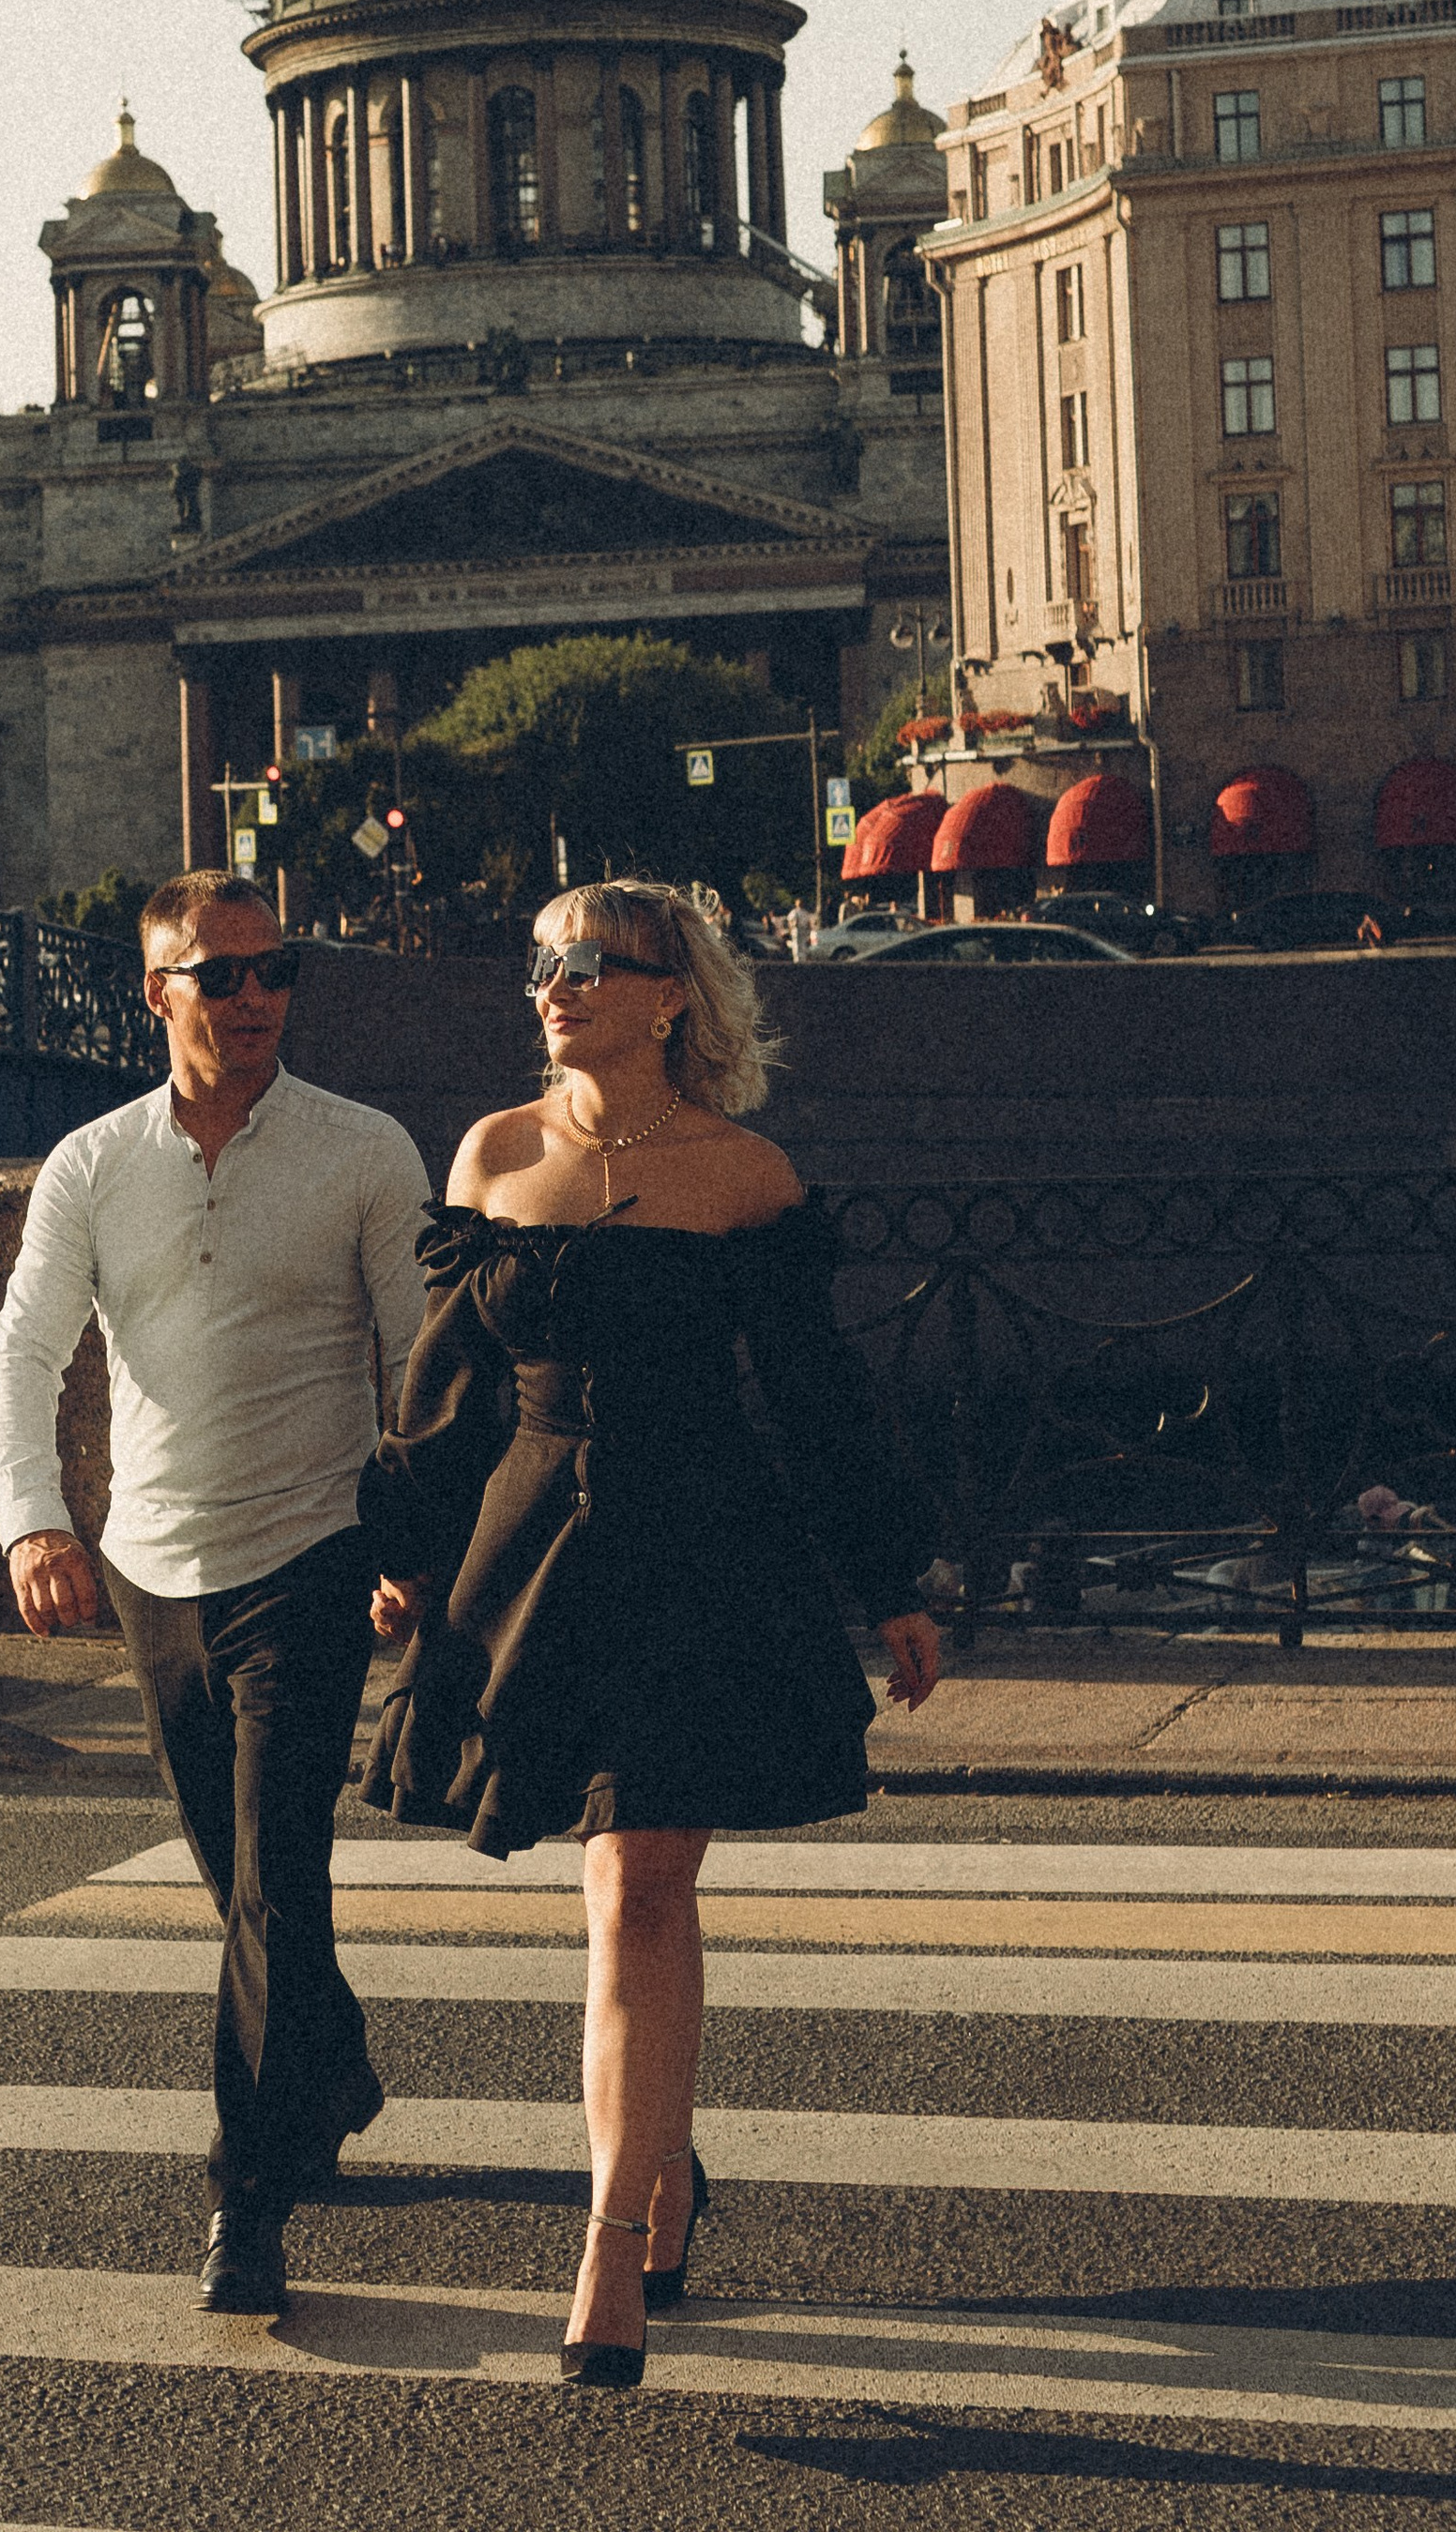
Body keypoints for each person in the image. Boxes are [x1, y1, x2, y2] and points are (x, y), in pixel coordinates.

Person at [357, 878, 940, 2389]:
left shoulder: (745, 1174)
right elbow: (447, 1395)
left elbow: (814, 1399)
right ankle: (665, 2169)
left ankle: (611, 2238)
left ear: (670, 992)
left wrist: (892, 1581)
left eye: (588, 962)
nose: (555, 982)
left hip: (706, 1552)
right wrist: (407, 1559)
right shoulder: (497, 1155)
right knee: (613, 1887)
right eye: (542, 958)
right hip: (537, 1550)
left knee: (637, 1888)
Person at [0, 871, 428, 2321]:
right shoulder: (92, 1164)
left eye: (273, 971)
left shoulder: (365, 1151)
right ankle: (338, 2063)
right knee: (235, 1881)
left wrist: (410, 1543)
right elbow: (25, 1354)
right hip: (149, 1565)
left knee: (275, 1871)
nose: (251, 999)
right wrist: (34, 1521)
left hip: (312, 1554)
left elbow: (417, 1369)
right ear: (155, 991)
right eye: (217, 975)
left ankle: (249, 2199)